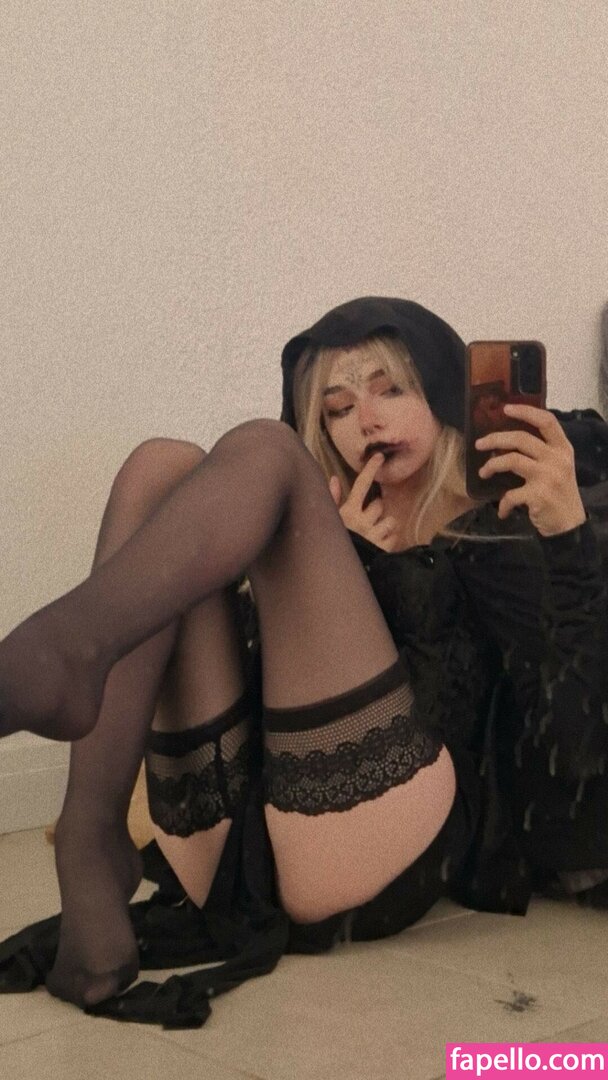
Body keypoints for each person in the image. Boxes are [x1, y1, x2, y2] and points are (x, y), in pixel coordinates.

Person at [1, 296, 608, 1030]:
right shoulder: (319, 523)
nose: (366, 422)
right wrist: (329, 557)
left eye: (391, 389)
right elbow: (259, 710)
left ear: (447, 392)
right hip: (244, 839)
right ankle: (91, 832)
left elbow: (572, 764)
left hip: (386, 849)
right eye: (338, 408)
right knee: (161, 465)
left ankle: (58, 660)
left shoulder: (500, 531)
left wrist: (567, 538)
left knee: (266, 447)